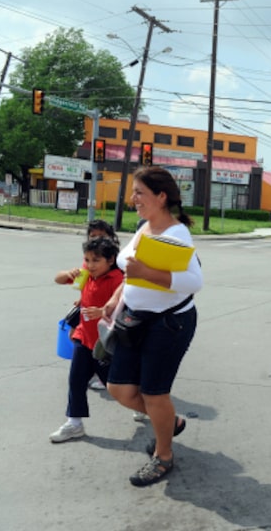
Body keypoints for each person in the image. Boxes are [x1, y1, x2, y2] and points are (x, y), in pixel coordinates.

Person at [104, 166, 202, 487]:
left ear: (161, 197)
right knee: (118, 388)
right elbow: (129, 270)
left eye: (139, 193)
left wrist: (146, 274)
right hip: (134, 318)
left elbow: (193, 281)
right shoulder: (145, 227)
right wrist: (118, 297)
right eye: (134, 193)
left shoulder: (176, 235)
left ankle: (164, 456)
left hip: (169, 323)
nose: (133, 199)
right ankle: (168, 422)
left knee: (154, 392)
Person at [50, 237, 123, 443]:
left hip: (106, 344)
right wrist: (67, 274)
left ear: (111, 260)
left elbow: (125, 309)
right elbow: (57, 279)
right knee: (76, 381)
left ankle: (147, 408)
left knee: (119, 388)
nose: (90, 265)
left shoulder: (117, 280)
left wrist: (103, 311)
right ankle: (74, 423)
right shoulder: (85, 275)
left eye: (95, 260)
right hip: (84, 338)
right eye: (87, 260)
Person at [54, 219, 121, 393]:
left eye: (100, 236)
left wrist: (104, 309)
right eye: (92, 236)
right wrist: (78, 289)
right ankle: (75, 417)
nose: (95, 239)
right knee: (75, 335)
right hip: (88, 318)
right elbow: (63, 279)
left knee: (110, 358)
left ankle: (134, 396)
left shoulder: (117, 267)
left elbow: (122, 297)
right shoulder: (89, 265)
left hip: (109, 321)